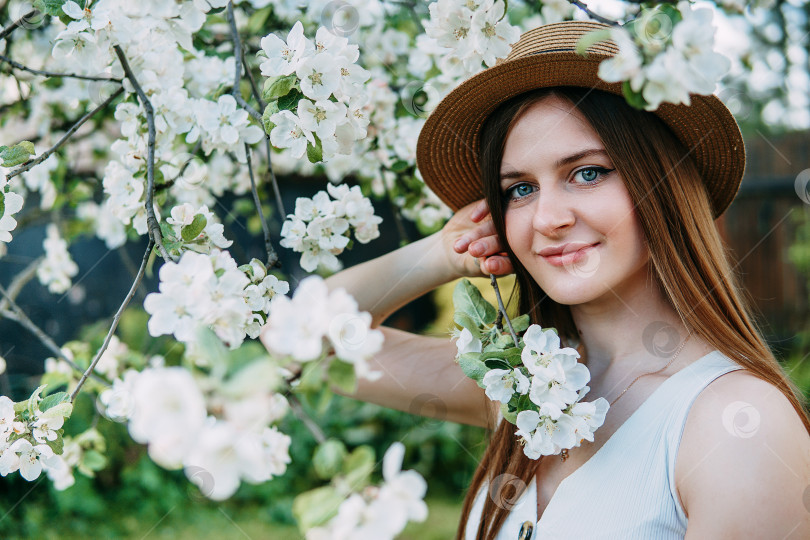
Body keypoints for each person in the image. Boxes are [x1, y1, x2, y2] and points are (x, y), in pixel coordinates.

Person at [323, 21, 810, 539]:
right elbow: (309, 345)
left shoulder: (734, 424)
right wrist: (444, 252)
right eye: (520, 189)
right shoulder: (520, 386)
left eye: (588, 173)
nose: (546, 218)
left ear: (664, 186)